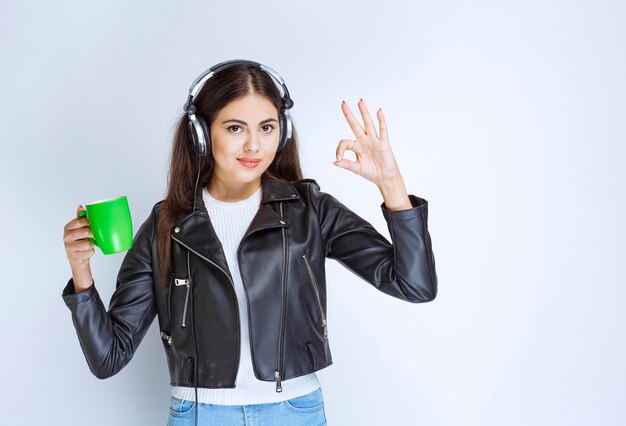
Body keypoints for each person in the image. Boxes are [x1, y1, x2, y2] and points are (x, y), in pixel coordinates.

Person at [61, 59, 438, 426]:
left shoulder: (310, 209)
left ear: (283, 131)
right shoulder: (166, 225)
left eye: (267, 127)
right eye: (236, 128)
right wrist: (81, 274)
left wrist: (391, 183)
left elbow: (414, 285)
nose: (254, 146)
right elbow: (108, 358)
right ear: (201, 133)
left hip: (294, 413)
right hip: (199, 415)